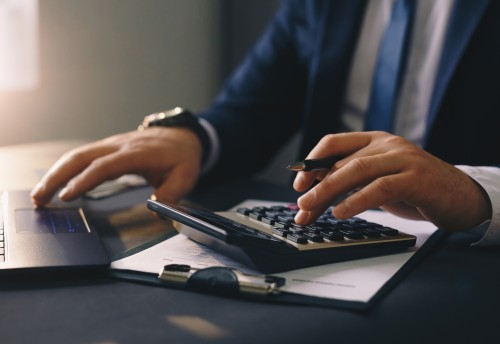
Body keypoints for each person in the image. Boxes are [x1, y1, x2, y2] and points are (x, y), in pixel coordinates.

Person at [31, 0, 500, 245]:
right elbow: (255, 108)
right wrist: (193, 138)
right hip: (322, 236)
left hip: (467, 263)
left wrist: (475, 193)